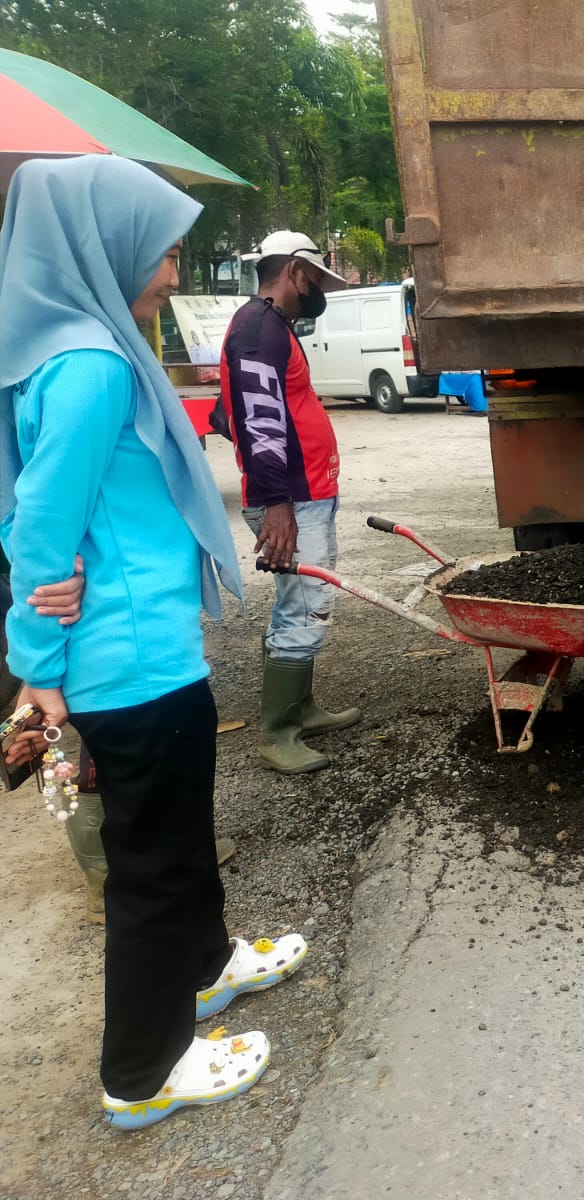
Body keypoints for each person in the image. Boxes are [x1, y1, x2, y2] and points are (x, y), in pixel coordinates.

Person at [0, 155, 306, 1130]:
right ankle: (143, 1070)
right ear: (105, 246)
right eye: (165, 254)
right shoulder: (88, 366)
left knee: (178, 838)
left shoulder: (82, 346)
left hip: (148, 645)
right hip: (126, 664)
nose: (173, 275)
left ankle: (207, 968)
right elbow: (39, 534)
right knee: (153, 864)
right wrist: (38, 669)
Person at [220, 231, 358, 773]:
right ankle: (278, 733)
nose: (319, 293)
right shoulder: (259, 329)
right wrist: (276, 500)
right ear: (296, 272)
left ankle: (301, 709)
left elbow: (229, 415)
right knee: (304, 607)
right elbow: (258, 418)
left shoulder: (267, 326)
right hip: (292, 501)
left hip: (304, 495)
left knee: (302, 604)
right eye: (318, 280)